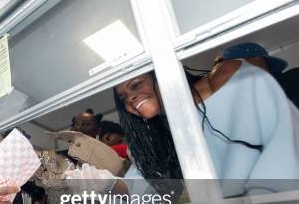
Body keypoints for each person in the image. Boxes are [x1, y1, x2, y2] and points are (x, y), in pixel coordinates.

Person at [113, 43, 299, 196]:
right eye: (123, 98)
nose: (130, 98)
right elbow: (142, 185)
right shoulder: (150, 138)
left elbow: (280, 148)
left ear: (160, 75)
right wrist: (107, 186)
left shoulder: (226, 79)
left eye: (136, 85)